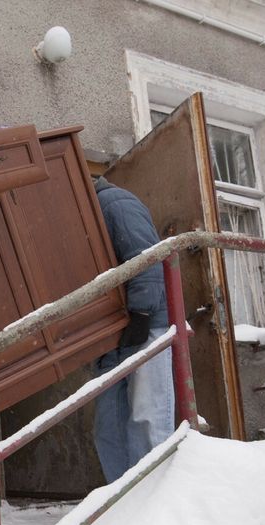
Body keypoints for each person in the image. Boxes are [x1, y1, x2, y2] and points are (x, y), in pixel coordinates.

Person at [92, 177, 175, 483]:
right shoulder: (86, 214)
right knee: (108, 428)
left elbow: (145, 256)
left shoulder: (115, 203)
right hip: (112, 332)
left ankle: (155, 497)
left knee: (147, 418)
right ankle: (122, 502)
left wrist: (141, 312)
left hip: (145, 323)